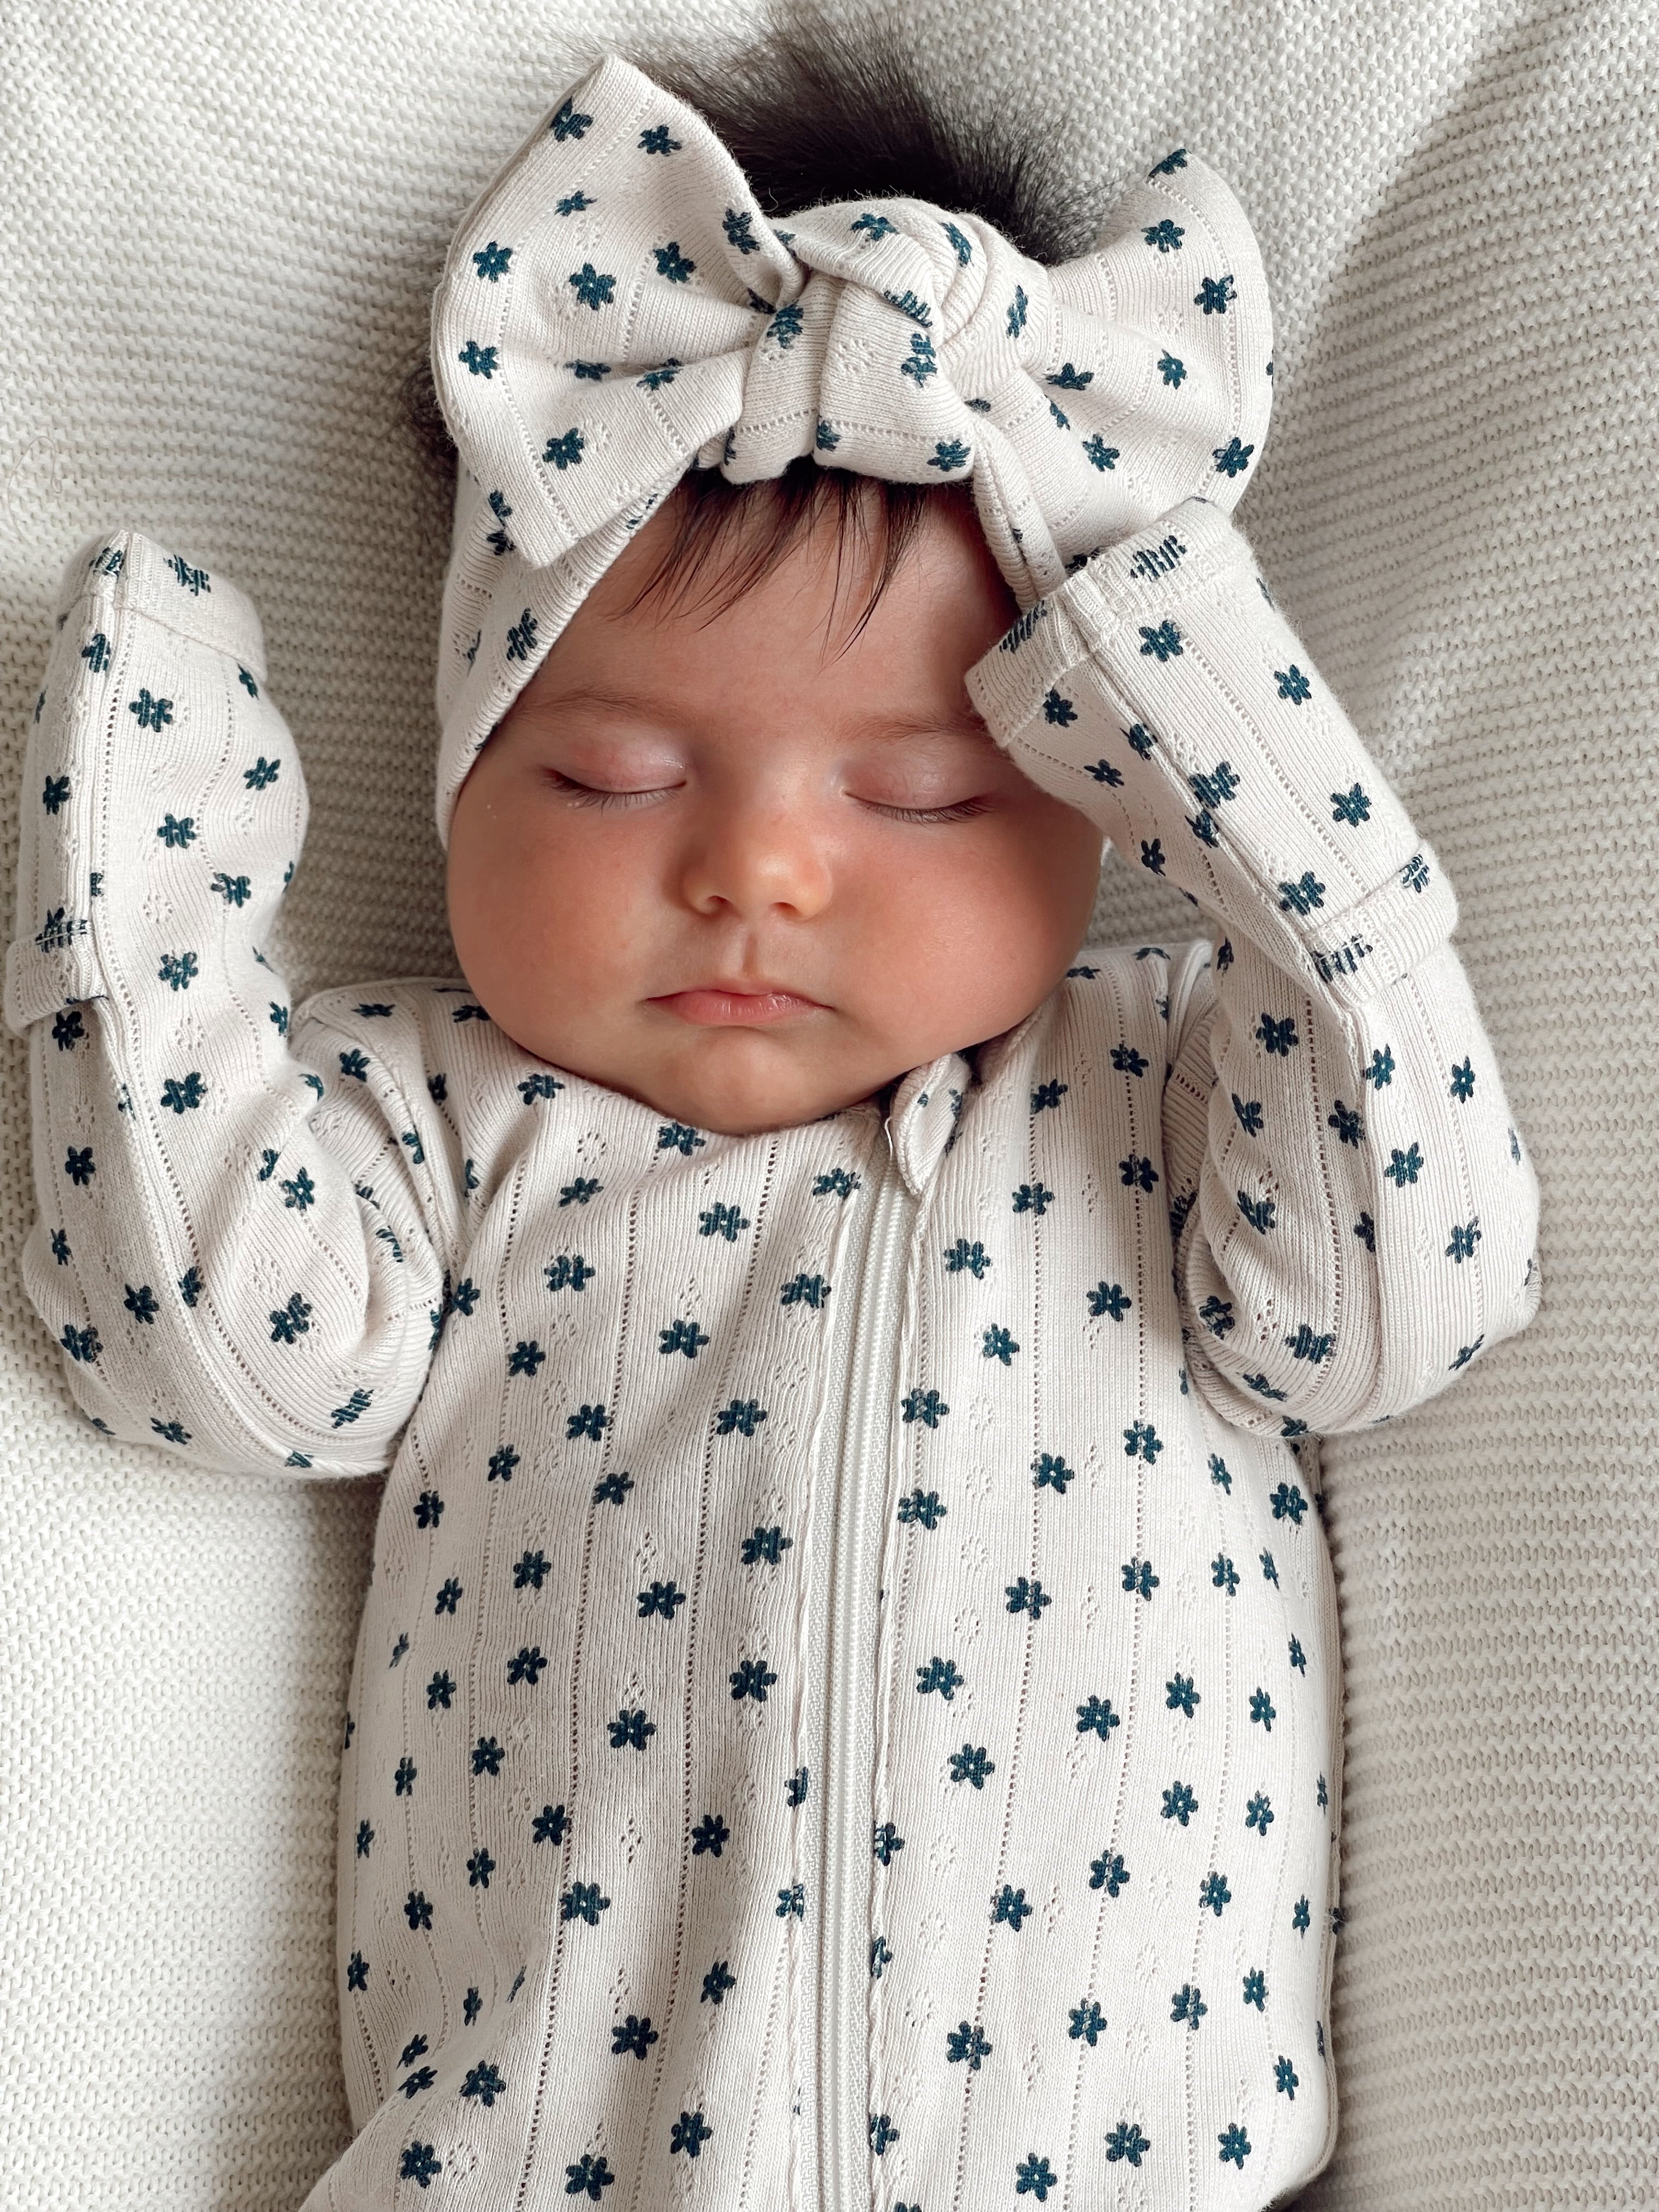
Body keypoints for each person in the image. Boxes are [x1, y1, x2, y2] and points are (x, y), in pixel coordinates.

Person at [7, 26, 1539, 2208]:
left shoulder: (1179, 1074)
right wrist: (140, 907)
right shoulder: (446, 1126)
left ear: (1099, 783)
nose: (759, 871)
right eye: (614, 776)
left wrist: (1231, 733)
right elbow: (215, 1359)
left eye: (916, 794)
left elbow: (1402, 1301)